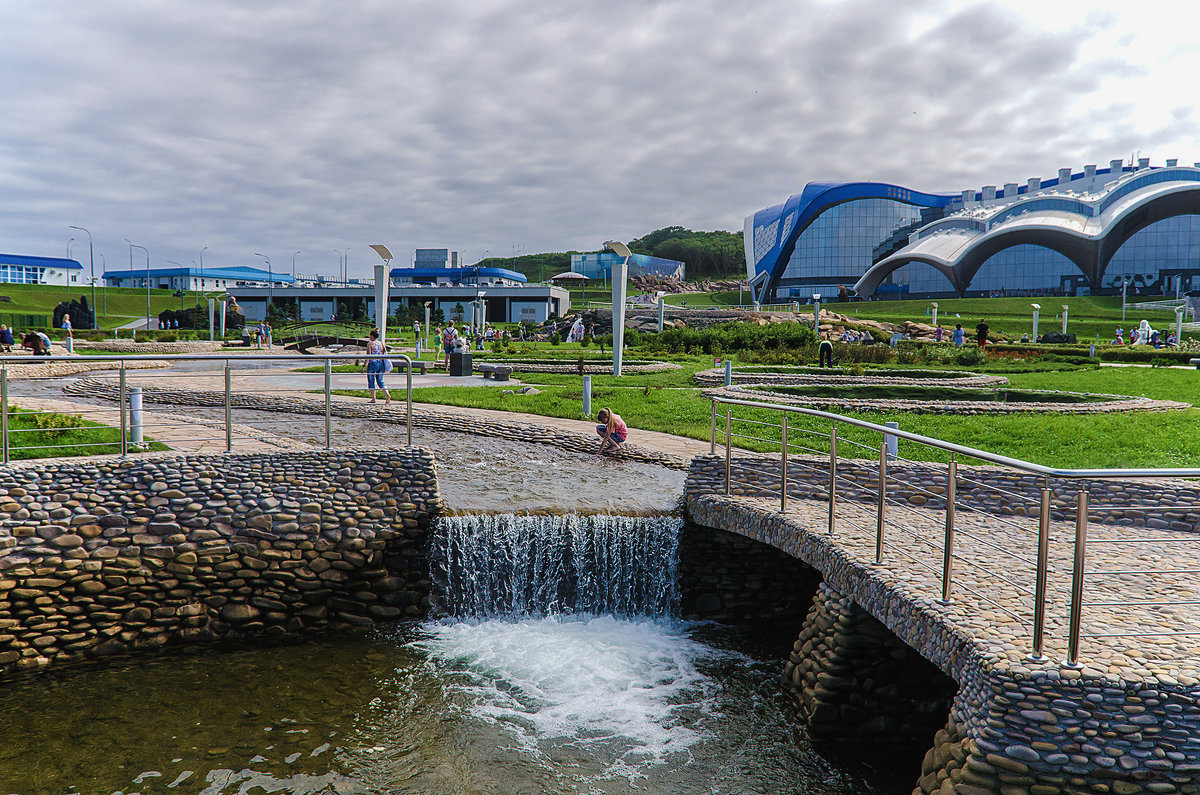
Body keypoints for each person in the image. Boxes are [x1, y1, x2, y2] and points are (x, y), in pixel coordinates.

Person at [360, 329, 390, 404]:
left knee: (371, 381)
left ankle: (373, 398)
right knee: (380, 381)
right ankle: (387, 395)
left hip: (373, 364)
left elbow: (368, 355)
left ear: (372, 336)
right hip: (380, 363)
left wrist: (364, 365)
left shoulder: (370, 344)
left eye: (370, 335)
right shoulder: (381, 343)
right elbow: (384, 352)